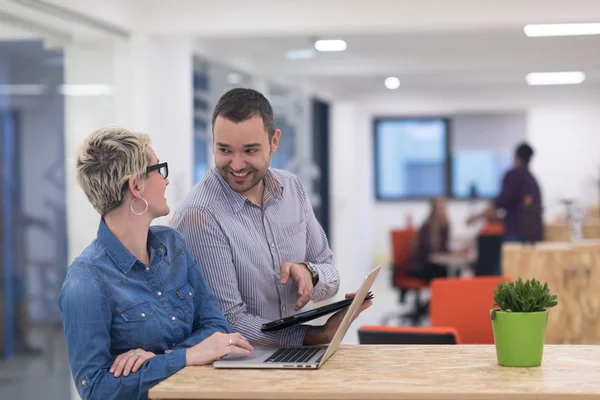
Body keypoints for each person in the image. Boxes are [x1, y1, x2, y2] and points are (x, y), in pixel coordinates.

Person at [58, 126, 252, 400]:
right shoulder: (85, 281)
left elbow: (217, 327)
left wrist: (164, 359)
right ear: (135, 186)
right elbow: (96, 389)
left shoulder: (173, 245)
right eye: (159, 169)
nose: (166, 180)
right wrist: (188, 356)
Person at [171, 88, 371, 347]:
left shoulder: (292, 188)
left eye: (250, 151)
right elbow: (229, 322)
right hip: (239, 365)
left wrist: (309, 273)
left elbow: (329, 273)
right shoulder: (199, 215)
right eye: (225, 150)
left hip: (290, 357)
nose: (237, 164)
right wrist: (316, 336)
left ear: (274, 141)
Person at [467, 142, 543, 243]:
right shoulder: (532, 180)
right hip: (535, 234)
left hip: (516, 233)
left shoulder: (512, 175)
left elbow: (499, 203)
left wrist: (476, 217)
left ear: (516, 156)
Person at [408, 197, 452, 282]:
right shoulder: (427, 227)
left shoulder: (445, 225)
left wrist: (455, 252)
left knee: (454, 272)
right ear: (433, 210)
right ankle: (442, 295)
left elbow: (444, 248)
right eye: (440, 208)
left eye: (443, 208)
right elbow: (430, 251)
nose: (442, 211)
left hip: (435, 264)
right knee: (445, 274)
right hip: (422, 266)